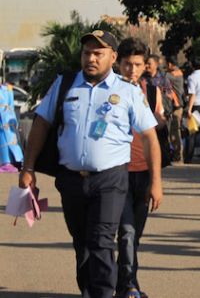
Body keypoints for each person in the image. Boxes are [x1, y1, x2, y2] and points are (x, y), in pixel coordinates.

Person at [19, 30, 161, 298]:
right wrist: (28, 168)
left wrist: (156, 181)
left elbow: (149, 137)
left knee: (101, 241)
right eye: (87, 53)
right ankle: (88, 290)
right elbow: (41, 124)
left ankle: (104, 293)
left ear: (113, 57)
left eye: (98, 54)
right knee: (82, 243)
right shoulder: (64, 85)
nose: (91, 59)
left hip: (110, 179)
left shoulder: (127, 91)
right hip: (71, 179)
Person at [116, 38, 165, 298]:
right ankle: (129, 286)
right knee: (126, 232)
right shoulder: (109, 90)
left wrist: (156, 180)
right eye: (127, 64)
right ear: (118, 63)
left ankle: (126, 281)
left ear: (145, 65)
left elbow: (157, 129)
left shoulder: (152, 92)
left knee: (134, 235)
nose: (132, 70)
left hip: (143, 172)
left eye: (137, 65)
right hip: (117, 172)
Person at [165, 56, 185, 162]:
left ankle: (178, 155)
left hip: (174, 106)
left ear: (170, 64)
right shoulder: (180, 73)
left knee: (174, 131)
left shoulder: (170, 76)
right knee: (175, 131)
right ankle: (177, 154)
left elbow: (168, 90)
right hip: (178, 107)